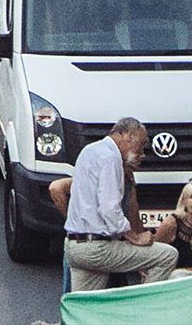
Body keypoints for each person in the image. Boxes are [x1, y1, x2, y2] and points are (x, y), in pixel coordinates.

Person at [63, 118, 177, 290]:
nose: (143, 152)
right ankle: (142, 311)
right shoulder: (111, 158)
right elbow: (109, 209)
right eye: (142, 144)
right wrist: (134, 236)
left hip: (75, 246)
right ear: (129, 135)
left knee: (86, 308)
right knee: (167, 255)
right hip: (97, 248)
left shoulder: (90, 150)